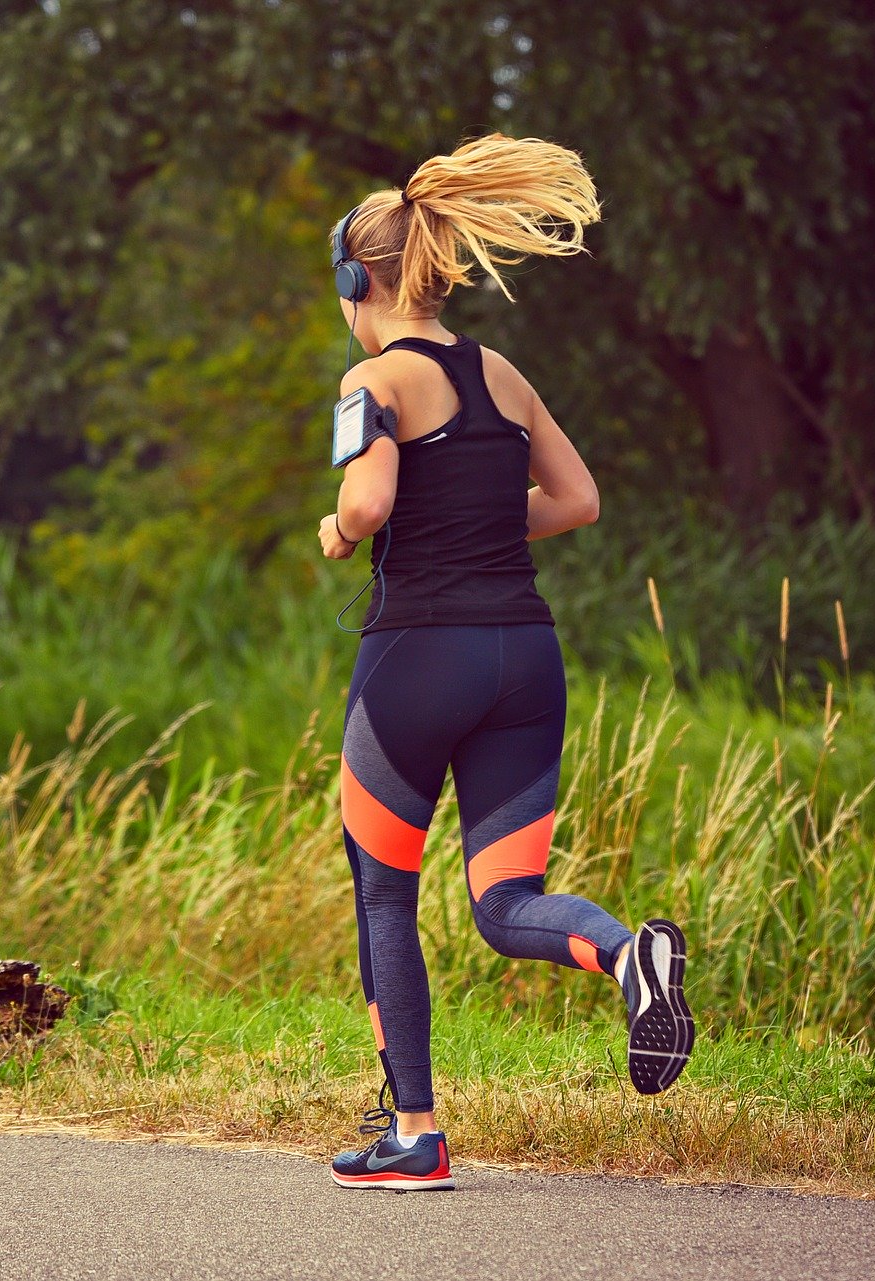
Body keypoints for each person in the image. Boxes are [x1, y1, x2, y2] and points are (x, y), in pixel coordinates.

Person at [316, 133, 693, 1191]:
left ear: (361, 278)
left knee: (385, 894)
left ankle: (418, 1134)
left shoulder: (372, 379)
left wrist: (347, 532)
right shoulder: (503, 373)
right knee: (505, 901)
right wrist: (476, 520)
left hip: (416, 663)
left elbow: (371, 500)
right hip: (524, 660)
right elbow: (577, 502)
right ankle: (626, 954)